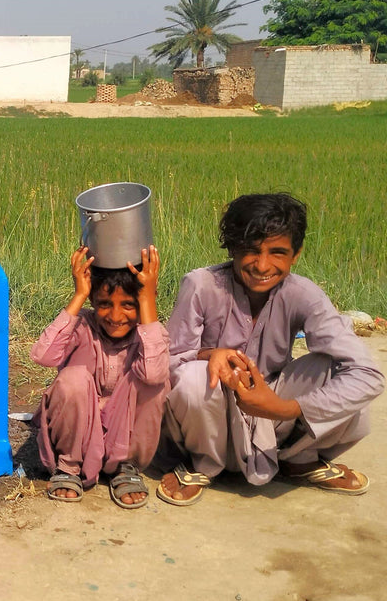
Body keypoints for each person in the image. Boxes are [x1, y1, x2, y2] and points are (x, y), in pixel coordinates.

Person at [158, 193, 385, 505]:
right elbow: (166, 362)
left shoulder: (304, 294)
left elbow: (369, 375)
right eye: (251, 251)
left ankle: (298, 458)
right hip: (213, 423)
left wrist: (283, 408)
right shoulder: (201, 285)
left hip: (274, 419)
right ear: (232, 247)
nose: (262, 265)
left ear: (296, 253)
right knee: (195, 378)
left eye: (277, 252)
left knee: (339, 372)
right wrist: (211, 354)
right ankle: (203, 464)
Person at [32, 245, 169, 509]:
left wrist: (147, 299)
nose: (116, 317)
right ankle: (69, 468)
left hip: (126, 436)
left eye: (128, 305)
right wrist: (79, 295)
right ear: (94, 301)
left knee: (154, 381)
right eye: (104, 304)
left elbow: (154, 375)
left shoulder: (151, 334)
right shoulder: (83, 325)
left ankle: (126, 465)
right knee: (72, 379)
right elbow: (43, 356)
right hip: (79, 439)